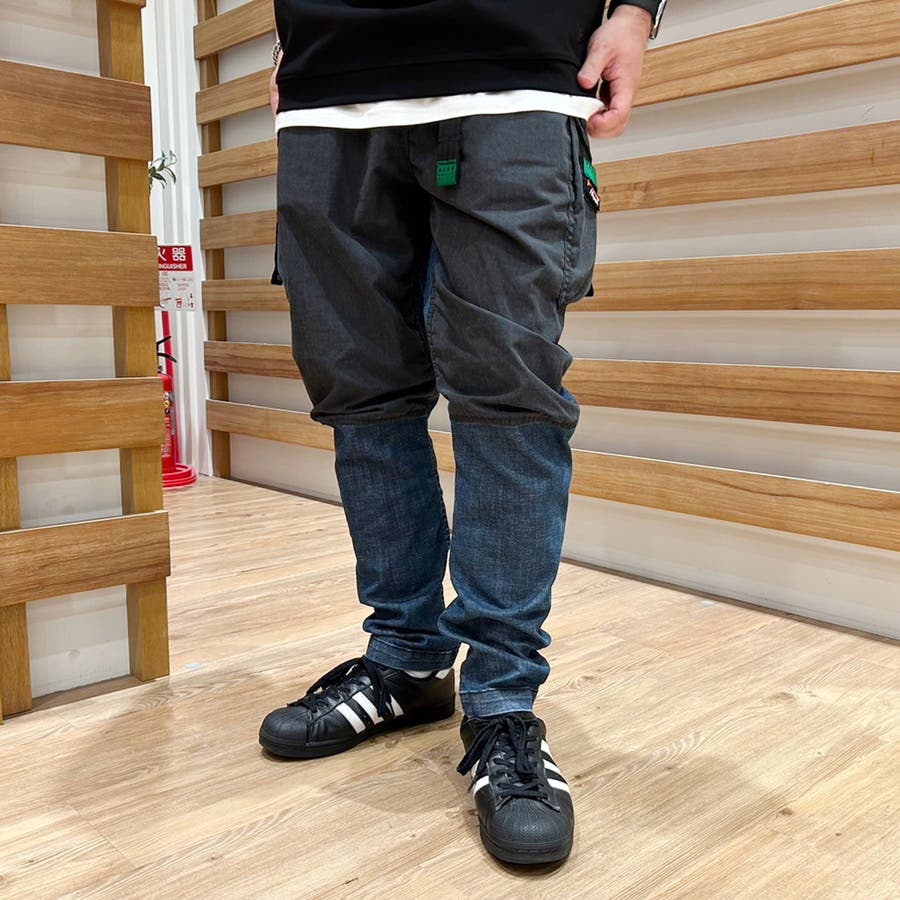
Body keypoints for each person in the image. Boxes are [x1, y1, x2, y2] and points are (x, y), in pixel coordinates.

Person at [259, 0, 667, 866]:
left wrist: (636, 10)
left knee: (509, 399)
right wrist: (288, 37)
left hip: (513, 72)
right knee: (360, 392)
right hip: (330, 87)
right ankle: (407, 662)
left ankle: (501, 705)